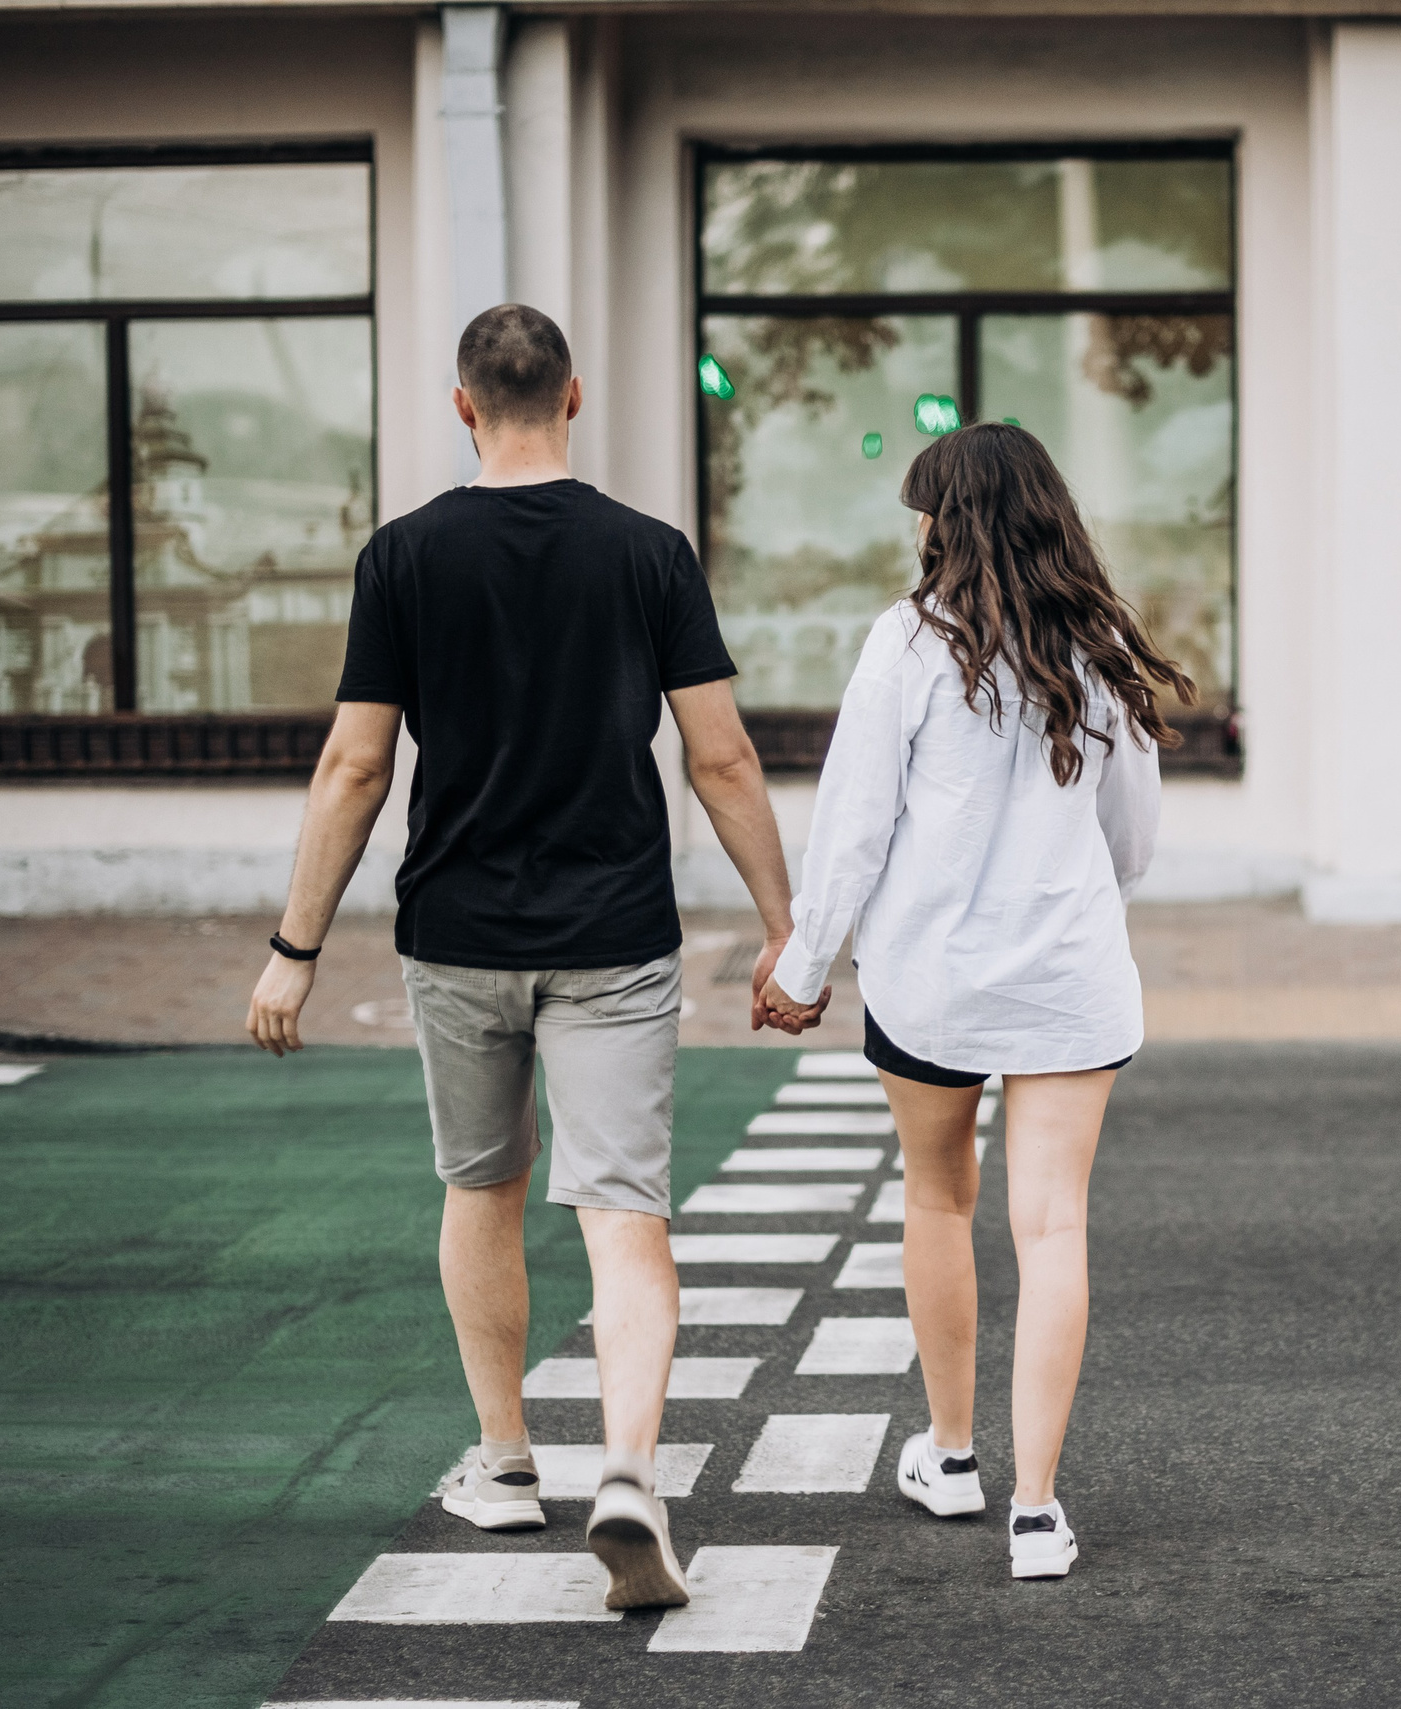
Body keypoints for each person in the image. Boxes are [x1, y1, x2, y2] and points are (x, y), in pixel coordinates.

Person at [245, 303, 824, 1611]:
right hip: (613, 933)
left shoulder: (401, 557)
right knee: (623, 1214)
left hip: (455, 935)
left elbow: (355, 764)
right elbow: (719, 755)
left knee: (482, 1188)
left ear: (464, 405)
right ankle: (627, 1470)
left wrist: (294, 947)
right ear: (574, 398)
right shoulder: (648, 554)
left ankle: (507, 1462)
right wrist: (788, 926)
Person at [759, 422, 1192, 1581]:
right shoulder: (1098, 641)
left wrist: (803, 969)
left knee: (939, 1199)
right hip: (1066, 980)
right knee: (1050, 1225)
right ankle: (1038, 1511)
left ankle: (951, 1456)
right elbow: (1133, 840)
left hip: (930, 981)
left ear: (943, 523)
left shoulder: (906, 641)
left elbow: (852, 828)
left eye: (922, 510)